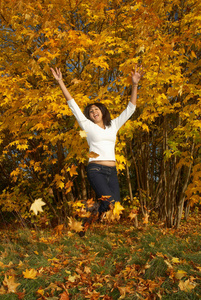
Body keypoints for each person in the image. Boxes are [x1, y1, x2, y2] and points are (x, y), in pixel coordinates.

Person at [51, 66, 143, 221]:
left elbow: (131, 109)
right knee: (109, 201)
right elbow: (72, 105)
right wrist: (60, 82)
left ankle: (84, 218)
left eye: (96, 109)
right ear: (89, 117)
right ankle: (84, 214)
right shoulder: (88, 126)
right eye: (90, 112)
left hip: (112, 172)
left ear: (102, 111)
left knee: (114, 206)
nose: (94, 112)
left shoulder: (113, 125)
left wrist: (134, 84)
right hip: (96, 169)